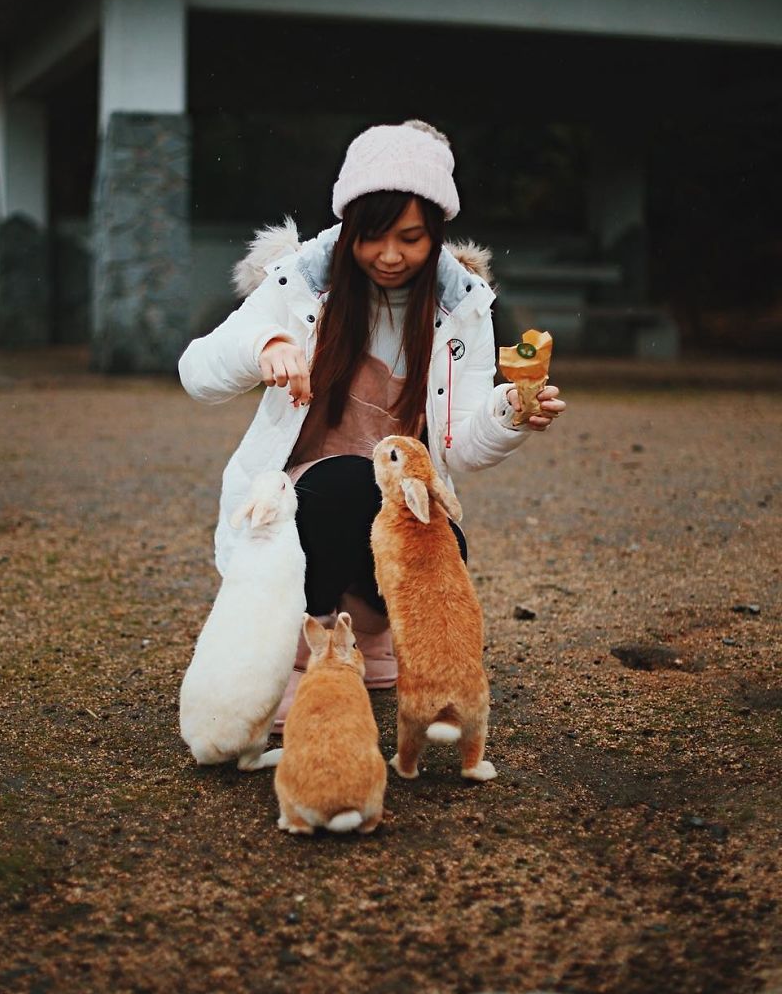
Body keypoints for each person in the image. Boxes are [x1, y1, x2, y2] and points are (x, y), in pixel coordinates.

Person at [178, 120, 565, 731]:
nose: (390, 256)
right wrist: (266, 345)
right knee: (341, 487)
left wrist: (509, 413)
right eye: (373, 236)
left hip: (392, 490)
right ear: (348, 226)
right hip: (306, 495)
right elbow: (196, 371)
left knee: (438, 533)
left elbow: (458, 450)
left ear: (436, 231)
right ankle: (301, 657)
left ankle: (369, 633)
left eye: (411, 238)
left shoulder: (461, 306)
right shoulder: (299, 283)